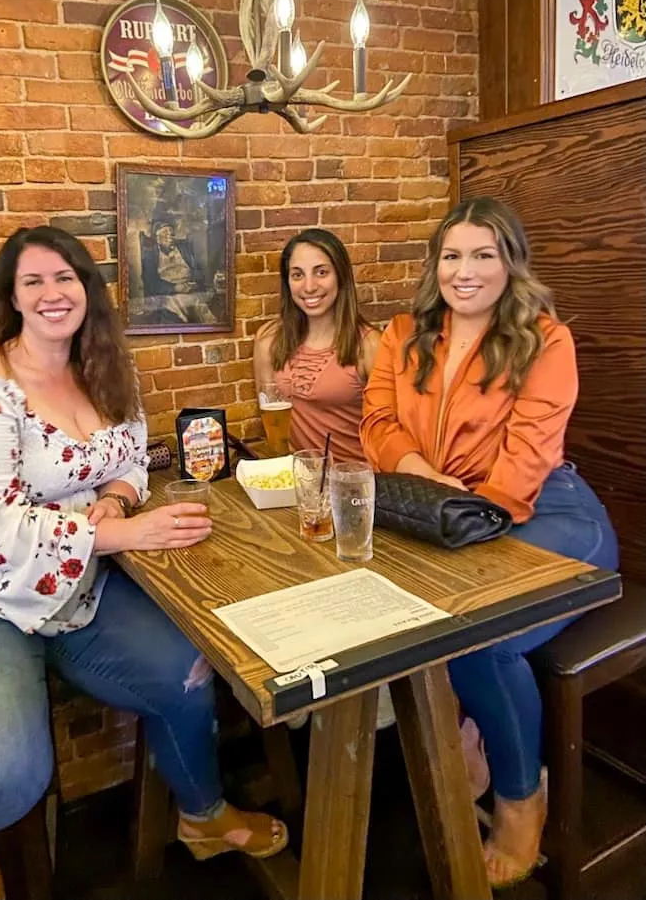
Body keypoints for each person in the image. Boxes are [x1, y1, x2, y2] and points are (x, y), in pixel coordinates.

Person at [0, 226, 286, 900]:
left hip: (78, 587)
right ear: (10, 296)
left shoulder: (102, 367)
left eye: (64, 277)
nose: (51, 293)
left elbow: (130, 451)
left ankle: (203, 813)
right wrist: (123, 534)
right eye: (33, 280)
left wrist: (117, 495)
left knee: (187, 668)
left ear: (87, 289)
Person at [360, 197, 619, 888]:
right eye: (451, 255)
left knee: (480, 632)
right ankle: (469, 723)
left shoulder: (544, 338)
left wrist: (457, 507)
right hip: (446, 506)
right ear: (434, 263)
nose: (463, 270)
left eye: (482, 254)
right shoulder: (401, 333)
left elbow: (525, 460)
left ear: (509, 262)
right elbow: (378, 423)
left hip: (552, 513)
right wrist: (427, 478)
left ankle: (518, 799)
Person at [254, 227, 381, 463]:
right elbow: (272, 430)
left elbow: (390, 431)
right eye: (297, 275)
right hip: (297, 481)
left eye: (321, 272)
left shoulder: (369, 344)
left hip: (356, 483)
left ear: (340, 275)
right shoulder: (269, 340)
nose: (309, 286)